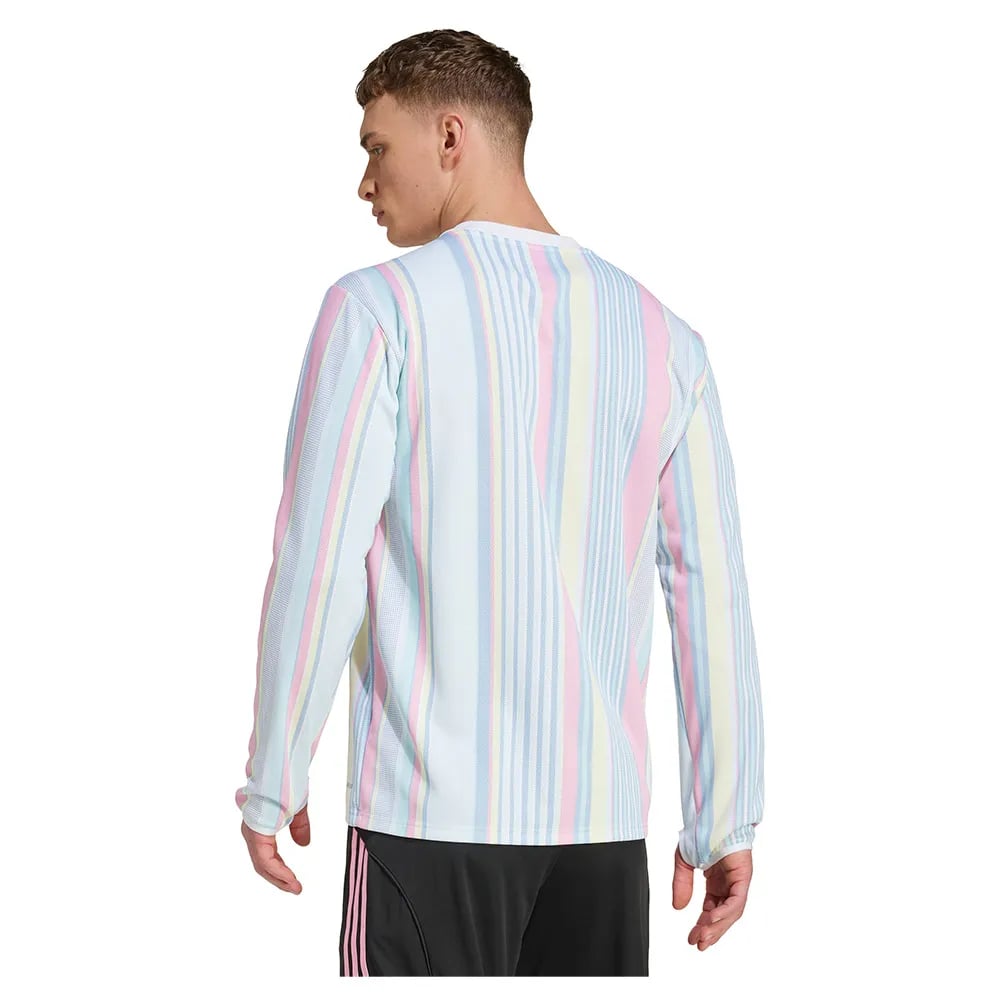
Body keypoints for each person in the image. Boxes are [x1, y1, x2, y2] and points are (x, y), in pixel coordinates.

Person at [235, 27, 765, 976]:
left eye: (375, 147)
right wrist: (723, 816)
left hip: (426, 828)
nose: (364, 183)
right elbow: (710, 595)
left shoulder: (379, 311)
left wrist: (275, 771)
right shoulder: (663, 338)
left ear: (450, 137)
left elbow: (318, 561)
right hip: (600, 840)